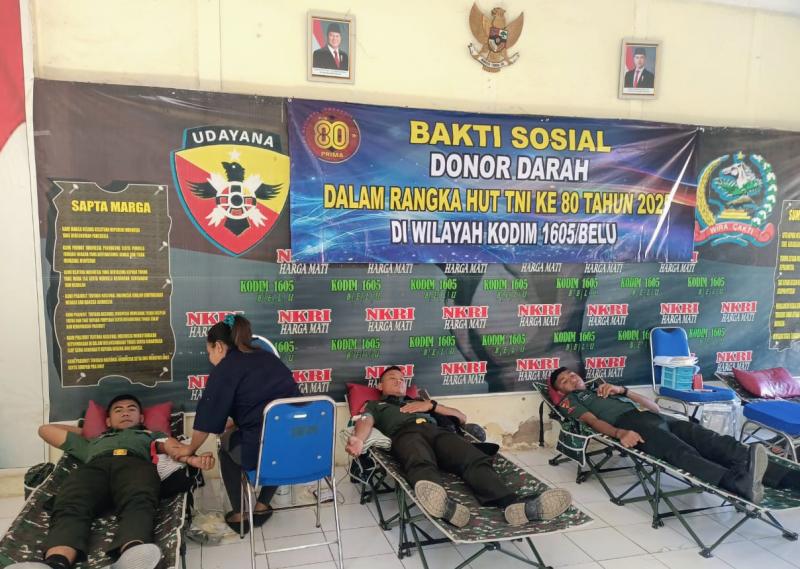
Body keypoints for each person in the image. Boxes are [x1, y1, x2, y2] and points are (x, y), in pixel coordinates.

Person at [345, 366, 572, 527]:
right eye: (392, 378)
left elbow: (461, 417)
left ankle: (513, 505)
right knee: (419, 460)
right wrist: (358, 440)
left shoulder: (421, 403)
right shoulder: (376, 405)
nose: (399, 381)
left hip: (439, 433)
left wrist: (431, 406)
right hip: (406, 435)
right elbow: (365, 421)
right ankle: (444, 505)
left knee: (473, 458)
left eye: (402, 379)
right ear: (380, 385)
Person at [9, 394, 215, 569]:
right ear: (107, 421)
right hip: (94, 468)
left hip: (135, 465)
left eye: (131, 409)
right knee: (70, 503)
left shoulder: (152, 435)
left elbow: (175, 449)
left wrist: (193, 460)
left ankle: (132, 554)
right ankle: (56, 562)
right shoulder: (91, 442)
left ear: (141, 417)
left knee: (139, 500)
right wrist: (89, 431)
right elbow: (45, 430)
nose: (125, 413)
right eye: (118, 410)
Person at [549, 367, 800, 503]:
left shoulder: (604, 388)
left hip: (660, 418)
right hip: (632, 424)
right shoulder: (572, 401)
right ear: (561, 391)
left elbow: (654, 407)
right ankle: (736, 483)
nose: (570, 379)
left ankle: (788, 477)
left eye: (571, 374)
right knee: (680, 452)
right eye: (564, 381)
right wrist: (619, 432)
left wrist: (623, 390)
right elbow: (592, 422)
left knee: (715, 442)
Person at [172, 314, 300, 534]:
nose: (210, 358)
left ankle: (239, 514)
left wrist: (190, 448)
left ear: (219, 346)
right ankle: (262, 505)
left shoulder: (225, 369)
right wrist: (238, 420)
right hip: (297, 445)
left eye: (209, 352)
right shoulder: (269, 358)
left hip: (258, 452)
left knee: (225, 445)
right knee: (278, 439)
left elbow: (206, 420)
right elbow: (275, 404)